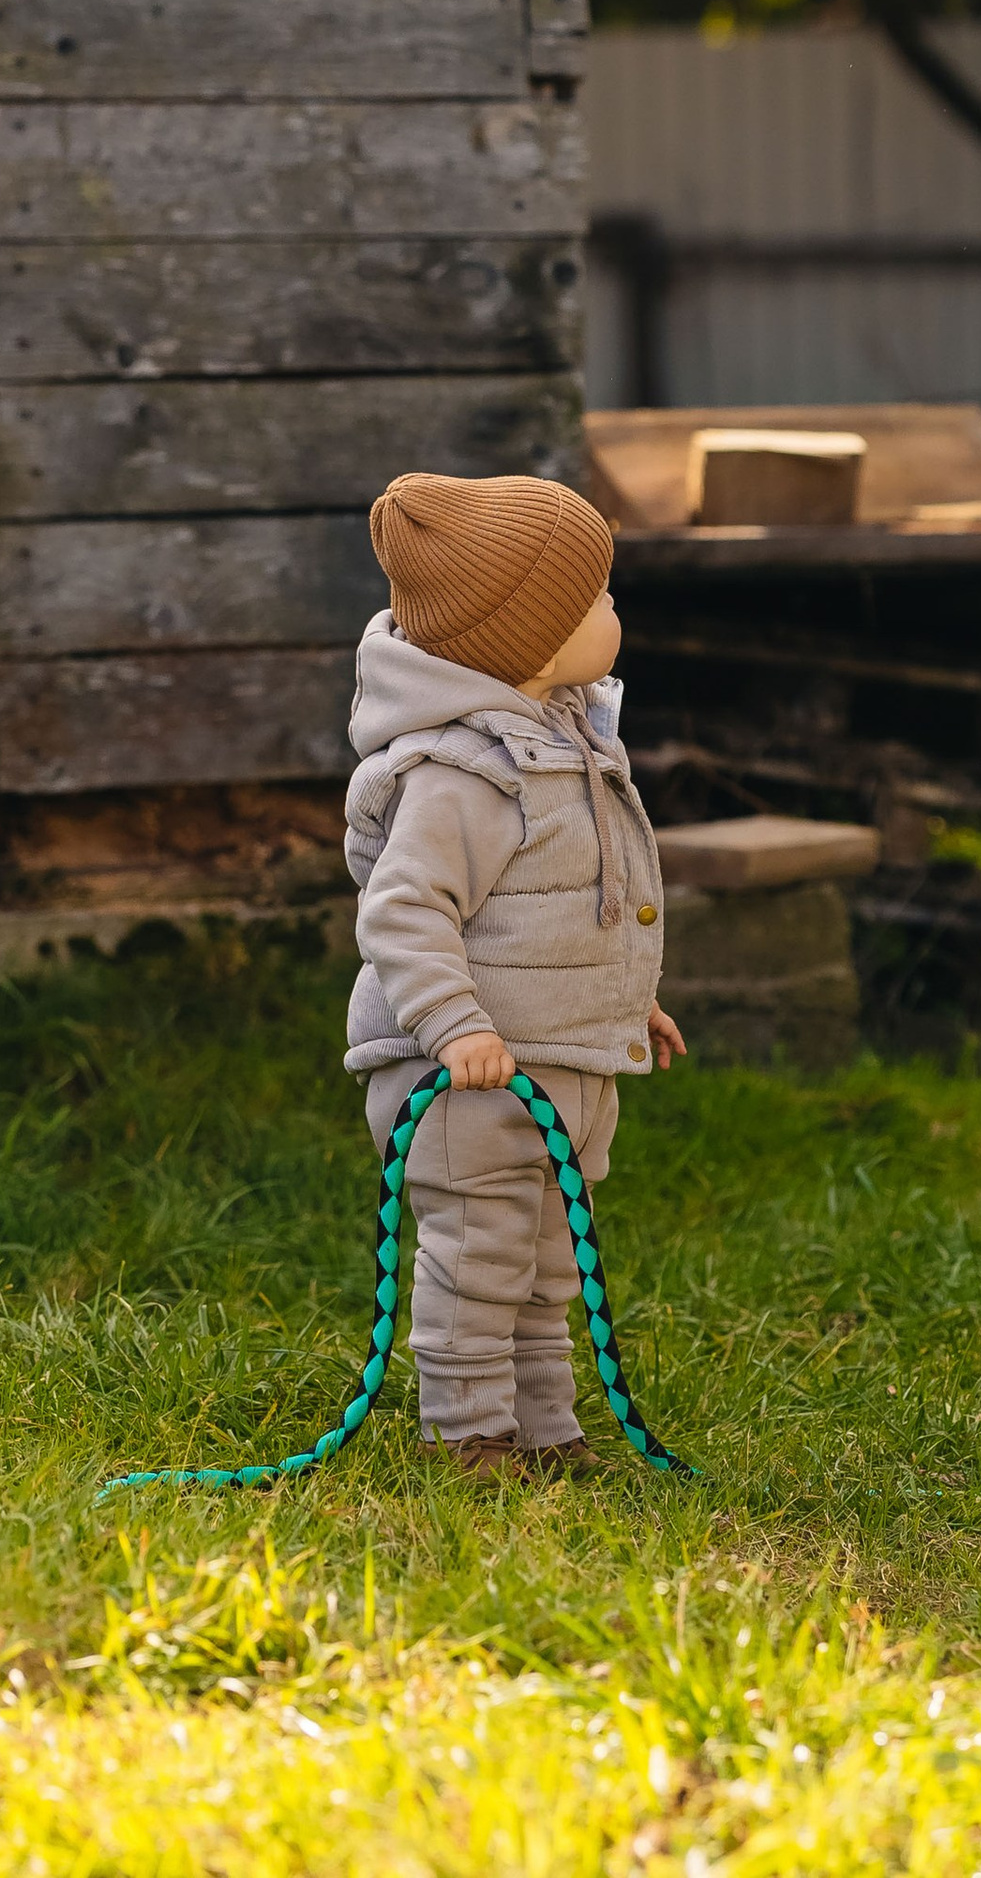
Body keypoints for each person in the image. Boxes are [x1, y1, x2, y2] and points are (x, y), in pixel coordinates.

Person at [343, 470, 684, 1481]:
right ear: (526, 641)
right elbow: (404, 910)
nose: (612, 609)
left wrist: (627, 1002)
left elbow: (570, 905)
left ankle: (545, 1428)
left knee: (546, 1264)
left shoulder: (564, 739)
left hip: (560, 1062)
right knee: (478, 1257)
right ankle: (467, 1433)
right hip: (472, 1078)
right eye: (595, 597)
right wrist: (455, 1027)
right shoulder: (464, 776)